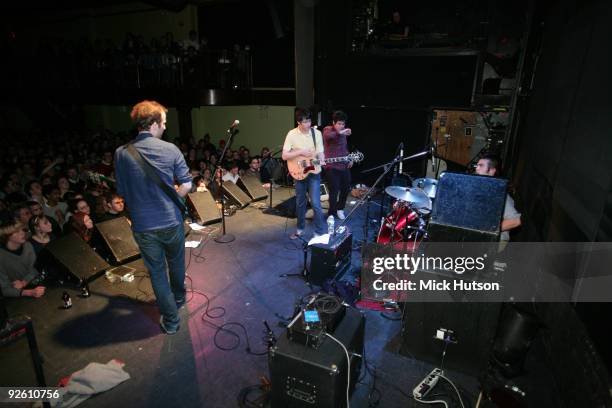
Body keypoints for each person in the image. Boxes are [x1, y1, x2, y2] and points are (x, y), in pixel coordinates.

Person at [114, 100, 192, 335]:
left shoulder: (122, 153)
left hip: (144, 225)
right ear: (155, 123)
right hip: (171, 221)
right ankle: (178, 299)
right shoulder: (171, 150)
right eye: (164, 123)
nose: (166, 127)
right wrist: (174, 198)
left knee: (157, 273)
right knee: (176, 264)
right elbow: (187, 184)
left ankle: (171, 321)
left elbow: (123, 192)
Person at [282, 108, 326, 239]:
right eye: (305, 122)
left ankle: (319, 232)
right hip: (298, 172)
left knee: (316, 203)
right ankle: (300, 229)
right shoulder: (291, 134)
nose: (308, 124)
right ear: (298, 122)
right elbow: (285, 156)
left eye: (309, 121)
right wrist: (300, 152)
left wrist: (322, 158)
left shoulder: (316, 133)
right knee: (300, 202)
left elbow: (320, 151)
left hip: (314, 171)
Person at [474, 154, 521, 242]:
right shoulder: (481, 190)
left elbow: (515, 220)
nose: (476, 168)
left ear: (492, 171)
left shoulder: (499, 194)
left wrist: (487, 230)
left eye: (481, 165)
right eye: (477, 165)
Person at [0, 219, 46, 298]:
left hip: (36, 284)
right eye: (17, 231)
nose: (22, 233)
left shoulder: (28, 246)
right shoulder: (2, 257)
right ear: (7, 237)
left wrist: (24, 282)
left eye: (22, 229)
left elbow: (35, 269)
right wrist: (29, 292)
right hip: (19, 295)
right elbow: (4, 290)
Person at [323, 110, 353, 220]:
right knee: (334, 191)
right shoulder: (328, 130)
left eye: (343, 124)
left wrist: (349, 159)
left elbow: (344, 148)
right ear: (334, 123)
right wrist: (340, 132)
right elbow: (328, 137)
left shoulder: (344, 134)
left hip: (343, 165)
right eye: (339, 123)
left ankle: (340, 209)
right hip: (332, 167)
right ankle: (331, 213)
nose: (341, 126)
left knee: (345, 189)